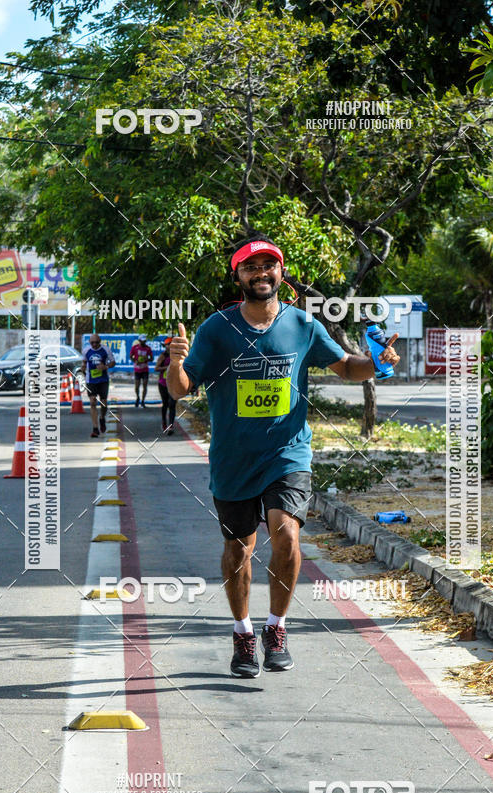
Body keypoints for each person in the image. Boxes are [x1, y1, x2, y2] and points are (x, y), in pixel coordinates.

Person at [167, 234, 400, 678]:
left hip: (287, 453)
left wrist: (377, 361)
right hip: (234, 459)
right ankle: (242, 633)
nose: (261, 273)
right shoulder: (216, 329)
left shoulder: (303, 325)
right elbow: (181, 389)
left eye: (268, 265)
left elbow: (348, 367)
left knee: (287, 535)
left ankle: (276, 627)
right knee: (239, 548)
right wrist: (175, 363)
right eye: (250, 267)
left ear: (281, 272)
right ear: (238, 276)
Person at [81, 333, 116, 437]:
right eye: (92, 343)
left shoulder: (106, 349)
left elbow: (113, 362)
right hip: (91, 380)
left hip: (103, 379)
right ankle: (95, 428)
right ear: (89, 342)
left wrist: (105, 366)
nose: (94, 344)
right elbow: (84, 362)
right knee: (92, 402)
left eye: (96, 342)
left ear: (100, 342)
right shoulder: (86, 350)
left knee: (104, 403)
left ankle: (102, 418)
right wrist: (83, 368)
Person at [155, 337, 177, 435]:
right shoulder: (163, 356)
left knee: (172, 404)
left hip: (174, 383)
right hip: (163, 383)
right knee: (165, 403)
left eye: (172, 344)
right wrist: (167, 367)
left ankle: (171, 426)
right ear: (166, 346)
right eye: (168, 344)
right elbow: (156, 368)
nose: (170, 346)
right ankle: (164, 422)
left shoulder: (177, 355)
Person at [130, 334, 154, 408]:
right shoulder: (135, 347)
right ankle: (138, 397)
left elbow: (152, 358)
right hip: (137, 369)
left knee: (145, 385)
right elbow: (131, 356)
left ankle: (143, 401)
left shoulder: (148, 348)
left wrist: (147, 359)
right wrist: (135, 360)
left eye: (145, 341)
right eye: (142, 341)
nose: (144, 342)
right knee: (137, 386)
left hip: (145, 369)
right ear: (139, 340)